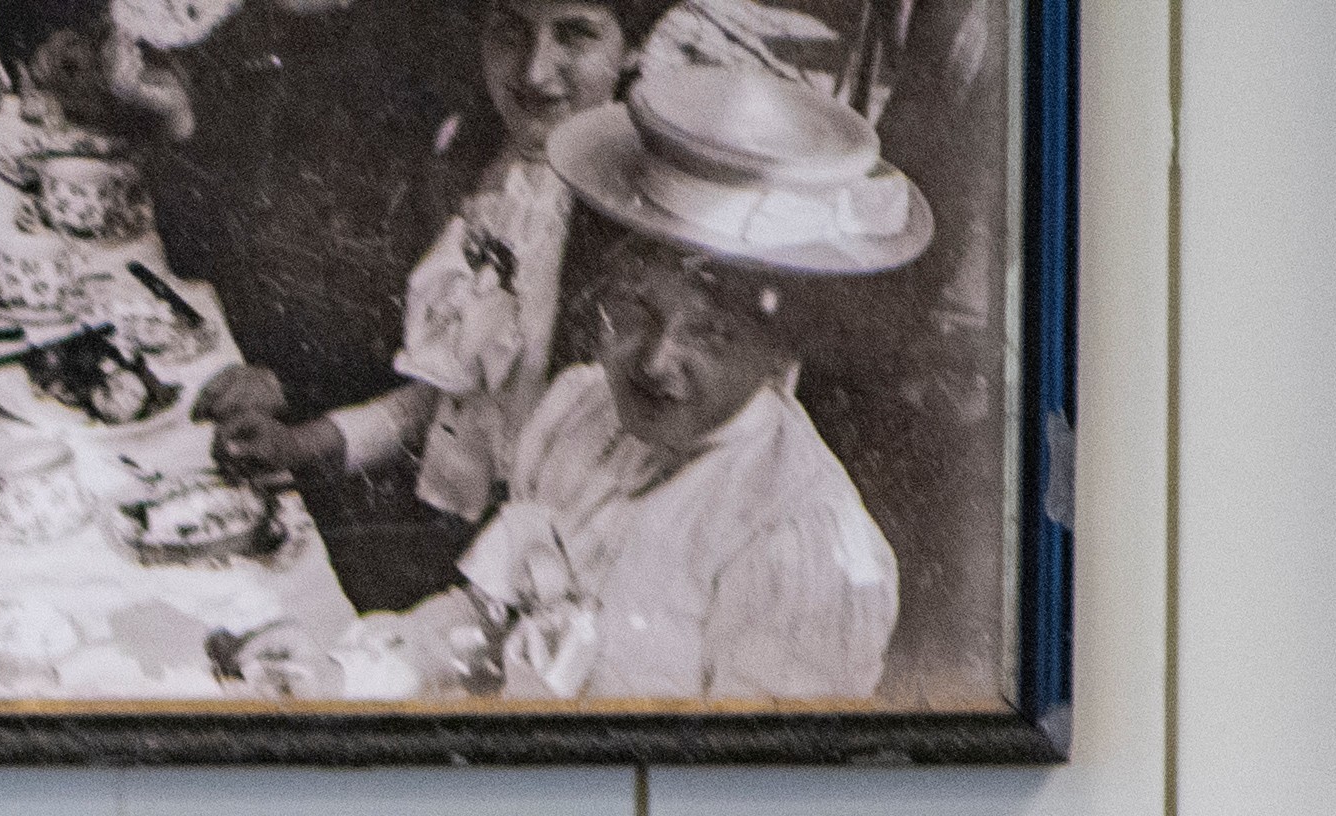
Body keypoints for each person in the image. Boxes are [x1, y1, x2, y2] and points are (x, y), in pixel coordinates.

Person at [440, 20, 918, 700]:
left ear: (781, 349)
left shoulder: (795, 545)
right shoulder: (580, 408)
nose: (656, 362)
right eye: (637, 310)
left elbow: (745, 795)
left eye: (712, 334)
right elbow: (490, 616)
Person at [205, 0, 633, 591]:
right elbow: (450, 398)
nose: (535, 70)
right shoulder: (484, 164)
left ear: (630, 48)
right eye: (511, 30)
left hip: (553, 577)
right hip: (450, 534)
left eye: (575, 34)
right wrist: (308, 443)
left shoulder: (633, 234)